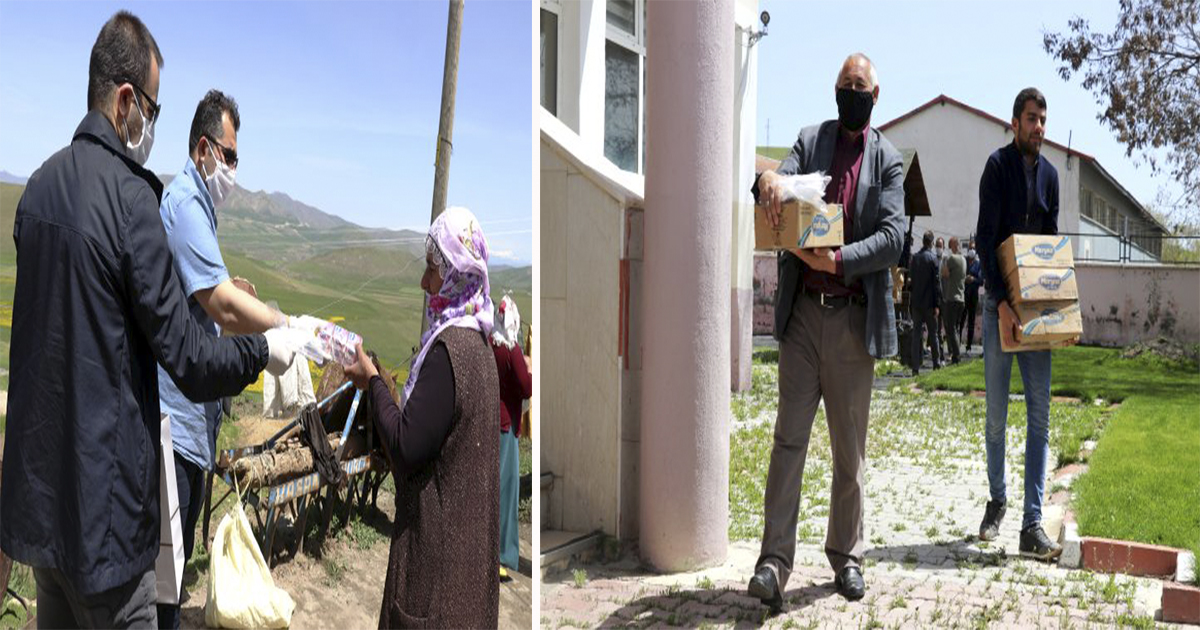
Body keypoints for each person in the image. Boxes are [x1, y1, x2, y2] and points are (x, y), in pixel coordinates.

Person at [0, 12, 294, 628]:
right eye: (153, 110)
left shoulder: (38, 190)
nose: (151, 125)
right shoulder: (136, 201)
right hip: (106, 523)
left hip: (42, 512)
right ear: (127, 99)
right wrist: (259, 349)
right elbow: (187, 357)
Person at [747, 53, 904, 608]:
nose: (851, 91)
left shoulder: (887, 161)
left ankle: (847, 557)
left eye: (859, 85)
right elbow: (777, 175)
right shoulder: (810, 140)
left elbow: (892, 238)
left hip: (852, 321)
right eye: (843, 84)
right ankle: (773, 562)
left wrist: (835, 262)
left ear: (875, 94)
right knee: (788, 441)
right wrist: (766, 178)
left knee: (848, 453)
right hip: (801, 320)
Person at [155, 90, 302, 629]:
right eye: (230, 155)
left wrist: (231, 296)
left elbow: (206, 297)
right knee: (162, 586)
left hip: (191, 420)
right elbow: (218, 302)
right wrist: (276, 325)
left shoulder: (199, 208)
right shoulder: (187, 204)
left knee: (169, 574)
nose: (235, 169)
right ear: (203, 149)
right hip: (174, 418)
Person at [344, 206, 500, 628]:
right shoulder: (483, 347)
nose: (424, 283)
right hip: (466, 576)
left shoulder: (449, 352)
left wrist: (373, 382)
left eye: (433, 270)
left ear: (456, 273)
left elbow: (405, 448)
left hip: (437, 581)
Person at [974, 87, 1061, 560]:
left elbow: (1048, 245)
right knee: (996, 415)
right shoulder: (997, 167)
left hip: (1036, 314)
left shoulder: (1050, 177)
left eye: (1043, 120)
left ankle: (1032, 524)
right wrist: (1003, 303)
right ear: (1014, 122)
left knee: (1040, 417)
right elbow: (985, 239)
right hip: (997, 309)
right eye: (1032, 119)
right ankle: (997, 500)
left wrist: (1049, 306)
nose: (1039, 127)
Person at [491, 295, 532, 580]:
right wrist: (530, 367)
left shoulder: (489, 344)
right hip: (506, 429)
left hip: (490, 422)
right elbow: (526, 386)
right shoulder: (511, 350)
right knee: (506, 492)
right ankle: (503, 555)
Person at [908, 231, 943, 374]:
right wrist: (937, 305)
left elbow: (911, 281)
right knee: (933, 334)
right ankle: (936, 364)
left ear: (923, 241)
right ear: (932, 243)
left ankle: (915, 367)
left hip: (916, 303)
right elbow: (936, 285)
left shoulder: (915, 258)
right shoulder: (933, 259)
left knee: (916, 335)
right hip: (929, 304)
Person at [940, 236, 967, 364]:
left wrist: (945, 261)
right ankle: (956, 354)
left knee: (951, 328)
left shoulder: (951, 258)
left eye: (950, 245)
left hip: (952, 298)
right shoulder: (964, 259)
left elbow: (944, 274)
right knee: (956, 327)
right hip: (961, 298)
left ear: (953, 246)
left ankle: (956, 355)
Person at [963, 247, 982, 351]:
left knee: (971, 320)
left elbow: (981, 281)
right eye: (970, 248)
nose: (972, 250)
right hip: (964, 294)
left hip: (973, 296)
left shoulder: (978, 264)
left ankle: (969, 345)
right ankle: (956, 345)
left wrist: (973, 279)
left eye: (974, 248)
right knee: (961, 319)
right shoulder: (964, 261)